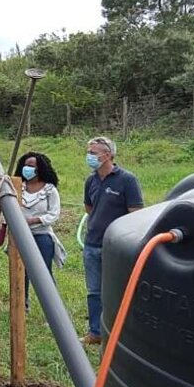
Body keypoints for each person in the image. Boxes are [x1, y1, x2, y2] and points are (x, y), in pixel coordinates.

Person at [81, 136, 143, 345]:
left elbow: (135, 214)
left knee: (118, 290)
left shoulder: (127, 180)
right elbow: (89, 208)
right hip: (92, 244)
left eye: (93, 153)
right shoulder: (91, 180)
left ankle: (120, 334)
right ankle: (96, 332)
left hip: (115, 247)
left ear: (108, 155)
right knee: (94, 291)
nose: (89, 156)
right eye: (89, 152)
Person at [13, 152, 66, 312]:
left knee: (43, 273)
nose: (27, 169)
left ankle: (53, 311)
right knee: (21, 272)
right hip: (20, 235)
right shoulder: (17, 187)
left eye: (31, 166)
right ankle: (22, 306)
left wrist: (32, 220)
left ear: (40, 168)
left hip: (42, 235)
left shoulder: (49, 190)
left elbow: (53, 214)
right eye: (25, 165)